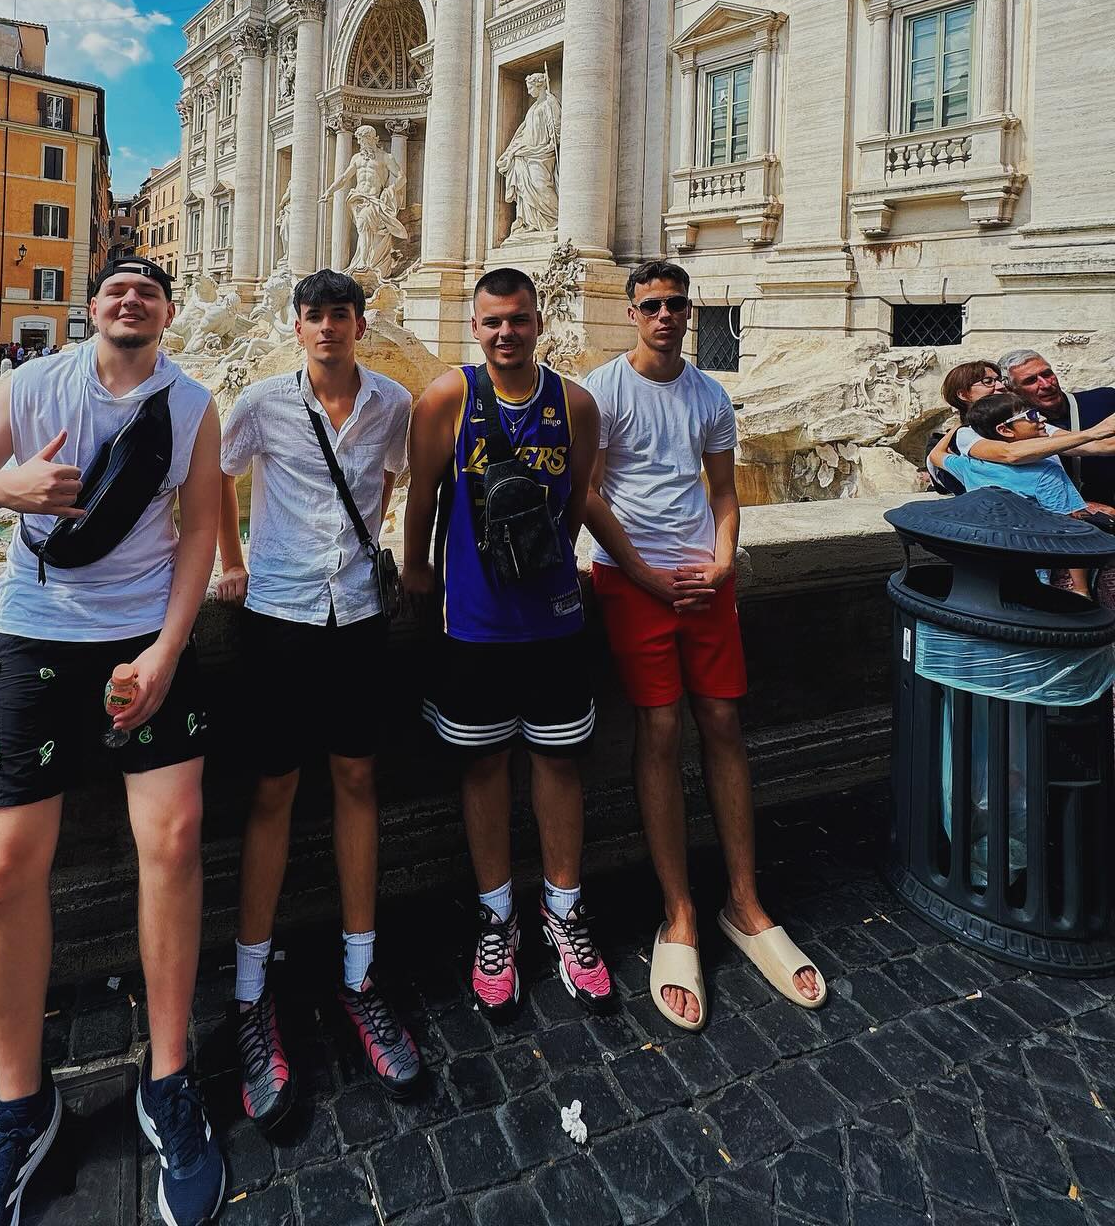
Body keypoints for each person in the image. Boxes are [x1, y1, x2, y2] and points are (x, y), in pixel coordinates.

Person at [0, 255, 225, 1226]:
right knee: (4, 872)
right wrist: (10, 485)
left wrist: (167, 653)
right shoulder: (29, 387)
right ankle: (21, 1104)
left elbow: (200, 534)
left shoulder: (193, 406)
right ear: (93, 307)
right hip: (34, 632)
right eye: (116, 288)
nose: (131, 298)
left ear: (168, 312)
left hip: (144, 640)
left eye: (148, 290)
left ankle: (167, 1076)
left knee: (175, 840)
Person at [584, 258, 825, 1033]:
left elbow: (723, 492)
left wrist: (722, 562)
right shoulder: (601, 390)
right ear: (632, 313)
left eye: (676, 304)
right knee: (658, 728)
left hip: (703, 578)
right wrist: (642, 574)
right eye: (652, 304)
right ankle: (679, 911)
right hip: (633, 580)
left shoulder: (710, 395)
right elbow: (586, 492)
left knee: (723, 722)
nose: (665, 315)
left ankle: (745, 902)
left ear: (690, 313)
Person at [214, 269, 418, 1130]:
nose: (328, 326)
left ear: (360, 324)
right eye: (314, 315)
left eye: (341, 314)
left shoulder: (393, 404)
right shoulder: (261, 402)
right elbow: (215, 479)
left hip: (359, 616)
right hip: (279, 614)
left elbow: (396, 479)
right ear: (295, 327)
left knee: (359, 781)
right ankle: (249, 991)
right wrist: (232, 560)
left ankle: (360, 976)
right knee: (272, 791)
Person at [404, 268, 612, 1018]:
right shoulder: (445, 399)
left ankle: (565, 909)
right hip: (473, 621)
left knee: (559, 762)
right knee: (484, 764)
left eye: (518, 319)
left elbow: (578, 498)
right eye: (492, 321)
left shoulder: (576, 405)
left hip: (553, 619)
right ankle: (497, 917)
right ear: (475, 325)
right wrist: (416, 570)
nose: (505, 333)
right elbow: (421, 496)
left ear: (539, 321)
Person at [930, 392, 1115, 595]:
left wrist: (957, 430)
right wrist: (1081, 589)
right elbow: (1071, 529)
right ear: (1004, 430)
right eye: (1032, 416)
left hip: (988, 567)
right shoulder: (1046, 472)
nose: (1042, 418)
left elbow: (936, 455)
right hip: (1033, 571)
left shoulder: (969, 465)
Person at [999, 349, 1115, 507]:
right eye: (1031, 381)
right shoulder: (1016, 430)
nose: (1046, 384)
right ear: (1012, 390)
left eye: (1047, 374)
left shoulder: (1104, 400)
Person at [924, 361, 1005, 495]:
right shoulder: (958, 441)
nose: (1001, 386)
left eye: (1000, 380)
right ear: (963, 394)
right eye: (988, 382)